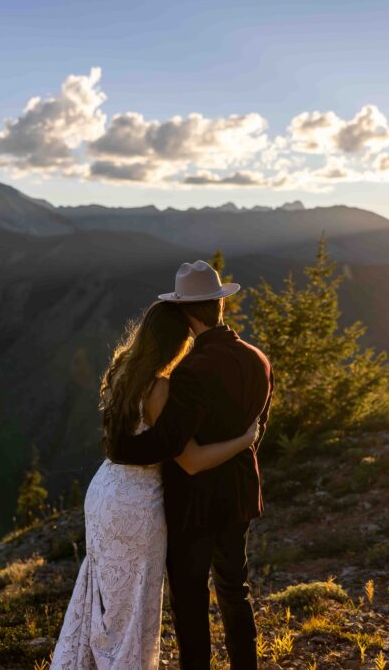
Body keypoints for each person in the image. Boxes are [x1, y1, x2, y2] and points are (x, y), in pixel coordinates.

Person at [50, 298, 260, 670]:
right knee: (134, 604)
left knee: (106, 597)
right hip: (138, 504)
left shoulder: (123, 372)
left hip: (105, 492)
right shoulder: (163, 387)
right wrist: (246, 440)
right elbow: (190, 459)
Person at [111, 260, 274, 670]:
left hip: (193, 504)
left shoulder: (190, 372)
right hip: (239, 493)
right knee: (235, 589)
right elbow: (259, 427)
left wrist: (118, 451)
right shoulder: (258, 359)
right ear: (219, 306)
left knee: (190, 598)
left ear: (187, 314)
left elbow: (169, 442)